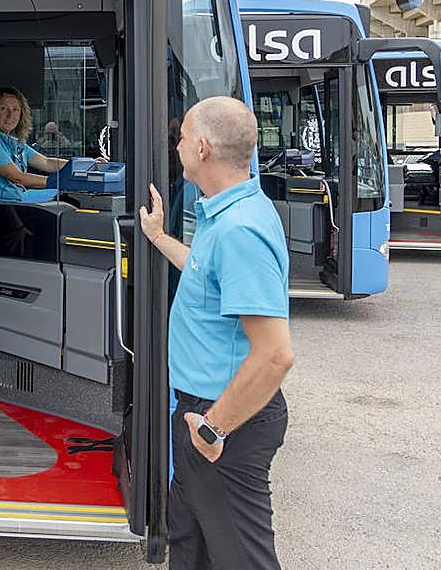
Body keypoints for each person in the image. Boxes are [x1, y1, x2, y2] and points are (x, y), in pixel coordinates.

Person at [137, 97, 294, 570]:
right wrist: (161, 238)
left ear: (202, 147)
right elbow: (210, 277)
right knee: (190, 545)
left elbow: (275, 355)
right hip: (201, 416)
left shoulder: (239, 230)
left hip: (224, 424)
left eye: (182, 136)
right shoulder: (225, 212)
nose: (177, 144)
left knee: (241, 559)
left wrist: (212, 428)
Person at [0, 87, 68, 217]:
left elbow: (47, 163)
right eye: (3, 109)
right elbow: (17, 178)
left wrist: (85, 166)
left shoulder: (11, 141)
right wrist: (61, 182)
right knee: (61, 211)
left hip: (9, 205)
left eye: (15, 109)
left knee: (65, 201)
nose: (10, 115)